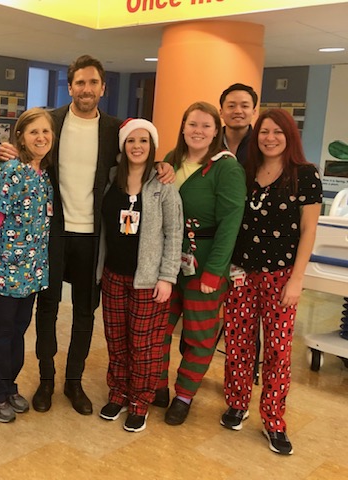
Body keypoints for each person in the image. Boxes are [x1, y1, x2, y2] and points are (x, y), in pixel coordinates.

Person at [0, 54, 175, 416]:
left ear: (103, 88)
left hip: (95, 235)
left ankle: (73, 382)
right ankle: (46, 380)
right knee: (46, 309)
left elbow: (137, 153)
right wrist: (9, 153)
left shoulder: (113, 129)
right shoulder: (54, 122)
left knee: (84, 312)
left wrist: (161, 164)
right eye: (80, 83)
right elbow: (32, 148)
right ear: (70, 87)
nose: (87, 89)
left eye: (93, 83)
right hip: (52, 232)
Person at [221, 109, 322, 455]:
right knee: (238, 344)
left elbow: (309, 231)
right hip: (242, 273)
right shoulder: (245, 172)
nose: (270, 137)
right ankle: (237, 403)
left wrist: (297, 280)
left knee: (278, 352)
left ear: (289, 135)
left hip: (281, 277)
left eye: (278, 132)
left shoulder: (304, 175)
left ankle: (274, 421)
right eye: (264, 131)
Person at [156, 101, 246, 426]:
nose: (198, 131)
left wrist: (215, 270)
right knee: (158, 328)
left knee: (198, 333)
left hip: (205, 262)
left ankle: (183, 395)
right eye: (193, 124)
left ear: (216, 131)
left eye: (206, 126)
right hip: (167, 260)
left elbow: (231, 223)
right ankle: (156, 384)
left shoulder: (226, 168)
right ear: (182, 127)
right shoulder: (169, 161)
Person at [96, 119, 183, 433]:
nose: (137, 146)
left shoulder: (163, 184)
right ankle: (118, 392)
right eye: (131, 141)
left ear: (152, 146)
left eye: (144, 141)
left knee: (144, 344)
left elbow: (175, 234)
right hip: (113, 276)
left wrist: (167, 277)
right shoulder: (109, 179)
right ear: (122, 146)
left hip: (148, 280)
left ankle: (140, 401)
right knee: (116, 340)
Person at [0, 108, 55, 423]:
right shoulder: (12, 170)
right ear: (20, 136)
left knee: (19, 331)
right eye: (34, 131)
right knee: (0, 332)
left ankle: (8, 386)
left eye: (46, 132)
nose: (41, 138)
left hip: (32, 273)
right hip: (6, 272)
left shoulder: (44, 175)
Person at [219, 83, 258, 165]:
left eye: (244, 106)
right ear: (221, 112)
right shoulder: (210, 143)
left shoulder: (260, 143)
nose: (238, 111)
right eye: (231, 106)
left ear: (253, 112)